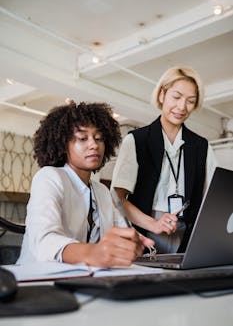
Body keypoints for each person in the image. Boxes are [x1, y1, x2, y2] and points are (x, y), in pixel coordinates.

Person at [17, 101, 154, 267]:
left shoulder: (102, 191)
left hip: (82, 279)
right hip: (37, 280)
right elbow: (44, 241)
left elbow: (122, 230)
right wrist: (93, 252)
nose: (94, 145)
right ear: (62, 144)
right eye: (83, 138)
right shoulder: (49, 177)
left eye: (99, 138)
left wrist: (134, 241)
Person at [111, 66, 217, 254]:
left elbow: (212, 198)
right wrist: (153, 223)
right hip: (144, 233)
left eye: (190, 101)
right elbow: (118, 198)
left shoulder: (202, 147)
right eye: (176, 97)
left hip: (187, 236)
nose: (182, 107)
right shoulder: (136, 140)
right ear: (162, 94)